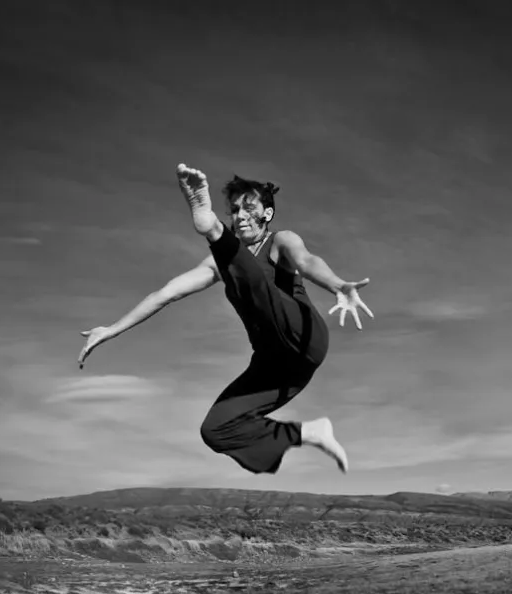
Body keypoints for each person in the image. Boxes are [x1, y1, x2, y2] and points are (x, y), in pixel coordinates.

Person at [77, 163, 374, 475]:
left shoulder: (281, 241)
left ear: (267, 214)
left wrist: (337, 284)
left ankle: (210, 227)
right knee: (216, 429)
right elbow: (166, 293)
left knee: (256, 279)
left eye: (249, 207)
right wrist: (112, 329)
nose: (241, 215)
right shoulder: (219, 264)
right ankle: (309, 433)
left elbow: (308, 260)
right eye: (234, 209)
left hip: (302, 335)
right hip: (274, 363)